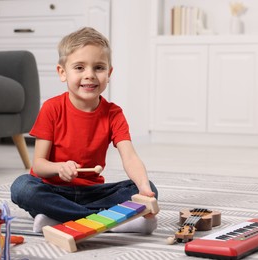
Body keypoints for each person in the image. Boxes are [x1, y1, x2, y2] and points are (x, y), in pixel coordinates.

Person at [11, 27, 158, 234]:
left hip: (92, 192)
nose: (89, 75)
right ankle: (104, 221)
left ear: (109, 73)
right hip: (53, 190)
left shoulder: (113, 113)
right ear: (63, 72)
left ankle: (60, 219)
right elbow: (39, 165)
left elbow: (130, 157)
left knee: (145, 188)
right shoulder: (51, 108)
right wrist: (59, 167)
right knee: (22, 187)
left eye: (98, 67)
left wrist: (143, 187)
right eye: (79, 68)